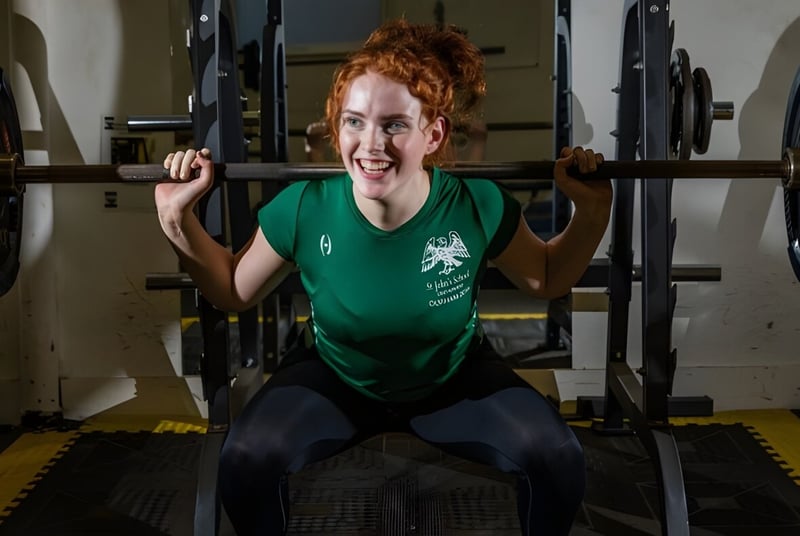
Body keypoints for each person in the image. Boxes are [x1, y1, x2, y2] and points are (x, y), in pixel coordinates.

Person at [156, 18, 612, 536]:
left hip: (452, 380)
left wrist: (592, 215)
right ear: (336, 126)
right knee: (244, 460)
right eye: (354, 122)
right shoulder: (305, 208)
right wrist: (177, 220)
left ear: (432, 132)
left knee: (557, 457)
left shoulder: (476, 204)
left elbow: (547, 278)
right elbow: (233, 290)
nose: (370, 144)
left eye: (394, 124)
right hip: (335, 379)